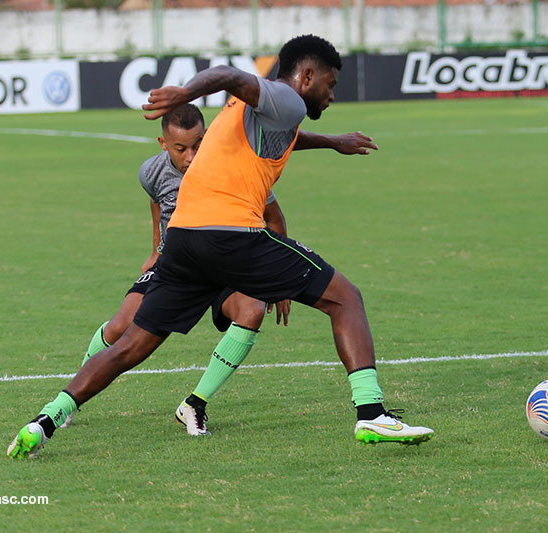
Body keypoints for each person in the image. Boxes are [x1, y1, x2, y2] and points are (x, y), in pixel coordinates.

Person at [8, 34, 433, 459]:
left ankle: (44, 420)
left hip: (183, 239)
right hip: (231, 234)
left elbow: (287, 135)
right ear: (307, 76)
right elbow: (229, 75)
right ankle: (372, 414)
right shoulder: (288, 99)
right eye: (329, 82)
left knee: (131, 346)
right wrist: (185, 92)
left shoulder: (261, 111)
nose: (332, 94)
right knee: (345, 298)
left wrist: (332, 141)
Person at [58, 105, 381, 436]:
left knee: (252, 309)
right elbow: (157, 204)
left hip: (229, 261)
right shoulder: (151, 172)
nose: (191, 155)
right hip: (179, 266)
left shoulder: (231, 170)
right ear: (163, 144)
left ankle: (195, 404)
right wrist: (156, 248)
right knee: (121, 325)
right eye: (181, 148)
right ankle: (68, 401)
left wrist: (278, 283)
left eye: (198, 144)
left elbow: (274, 216)